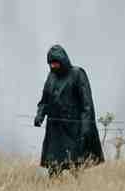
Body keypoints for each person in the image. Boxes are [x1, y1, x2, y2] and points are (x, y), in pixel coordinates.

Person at [34, 44, 103, 172]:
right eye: (51, 64)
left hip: (73, 131)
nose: (53, 66)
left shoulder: (77, 74)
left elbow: (87, 104)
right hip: (54, 132)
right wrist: (40, 115)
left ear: (63, 60)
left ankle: (75, 184)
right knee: (54, 167)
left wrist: (86, 127)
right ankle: (55, 184)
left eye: (56, 63)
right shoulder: (51, 77)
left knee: (75, 166)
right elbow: (44, 101)